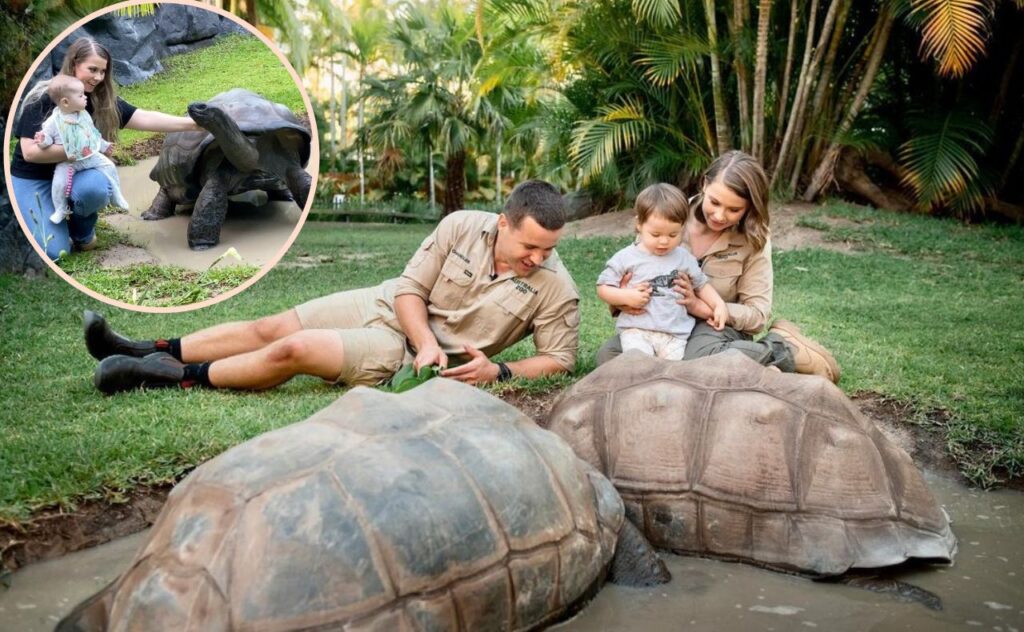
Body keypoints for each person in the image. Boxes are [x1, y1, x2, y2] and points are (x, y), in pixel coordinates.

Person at [87, 180, 580, 393]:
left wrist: (501, 371)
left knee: (294, 349)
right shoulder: (461, 225)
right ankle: (144, 347)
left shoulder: (556, 286)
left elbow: (560, 360)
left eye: (547, 250)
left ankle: (172, 375)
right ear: (504, 223)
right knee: (271, 325)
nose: (538, 259)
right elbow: (410, 289)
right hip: (389, 304)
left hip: (402, 352)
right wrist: (428, 335)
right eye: (530, 248)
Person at [595, 151, 841, 382]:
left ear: (749, 208)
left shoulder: (755, 238)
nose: (720, 216)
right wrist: (623, 300)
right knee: (611, 359)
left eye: (734, 210)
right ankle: (756, 368)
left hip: (717, 328)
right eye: (714, 202)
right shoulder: (668, 215)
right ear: (704, 184)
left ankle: (781, 348)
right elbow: (631, 275)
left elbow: (756, 316)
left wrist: (700, 307)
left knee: (696, 358)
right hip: (663, 323)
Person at [10, 37, 201, 260]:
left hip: (75, 172)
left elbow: (145, 117)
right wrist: (85, 149)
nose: (98, 78)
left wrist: (195, 124)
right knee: (55, 252)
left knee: (96, 187)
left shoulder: (98, 100)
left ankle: (82, 232)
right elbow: (30, 152)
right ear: (74, 64)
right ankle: (52, 217)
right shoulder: (44, 97)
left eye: (103, 71)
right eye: (92, 69)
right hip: (34, 177)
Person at [596, 183, 728, 360]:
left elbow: (701, 285)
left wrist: (718, 305)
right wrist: (626, 297)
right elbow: (603, 288)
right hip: (637, 330)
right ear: (639, 225)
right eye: (656, 235)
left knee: (672, 372)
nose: (664, 242)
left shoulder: (683, 258)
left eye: (673, 235)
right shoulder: (626, 257)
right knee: (639, 363)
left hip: (674, 334)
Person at [35, 75, 130, 223]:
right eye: (80, 96)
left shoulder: (83, 115)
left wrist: (104, 146)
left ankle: (116, 195)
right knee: (59, 183)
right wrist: (42, 140)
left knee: (109, 166)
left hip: (90, 156)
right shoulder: (54, 121)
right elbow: (47, 139)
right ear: (65, 102)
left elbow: (92, 134)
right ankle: (61, 208)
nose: (85, 97)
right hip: (68, 162)